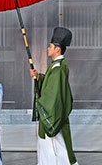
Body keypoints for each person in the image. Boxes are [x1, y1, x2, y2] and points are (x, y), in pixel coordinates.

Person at [30, 27, 78, 165]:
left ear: (58, 49)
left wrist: (41, 103)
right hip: (57, 115)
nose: (47, 48)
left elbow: (54, 96)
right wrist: (39, 77)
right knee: (58, 149)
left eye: (50, 46)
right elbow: (50, 85)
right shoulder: (57, 66)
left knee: (56, 150)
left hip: (54, 116)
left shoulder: (58, 68)